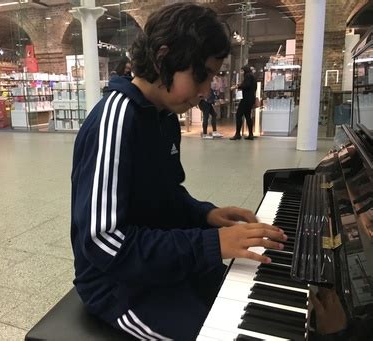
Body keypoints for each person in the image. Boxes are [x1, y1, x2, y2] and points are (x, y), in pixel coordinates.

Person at [70, 3, 287, 340]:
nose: (205, 91)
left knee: (249, 300)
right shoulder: (115, 120)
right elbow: (103, 242)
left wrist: (207, 215)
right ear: (163, 57)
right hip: (119, 287)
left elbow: (167, 195)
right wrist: (211, 245)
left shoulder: (164, 117)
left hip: (161, 265)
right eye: (202, 75)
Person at [230, 65, 257, 140]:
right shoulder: (252, 76)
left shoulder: (248, 76)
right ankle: (251, 134)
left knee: (238, 114)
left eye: (242, 71)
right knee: (248, 116)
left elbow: (246, 85)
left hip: (246, 99)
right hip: (251, 98)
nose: (241, 72)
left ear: (245, 70)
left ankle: (238, 134)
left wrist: (237, 86)